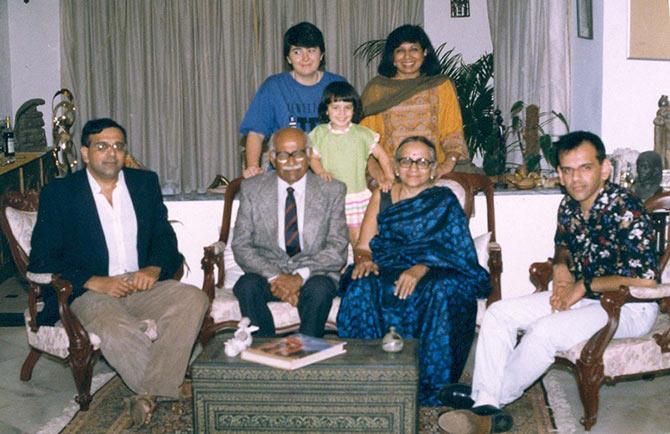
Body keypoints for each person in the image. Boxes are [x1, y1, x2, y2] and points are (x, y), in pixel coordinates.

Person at [437, 131, 659, 433]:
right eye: (568, 170)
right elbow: (563, 252)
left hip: (630, 307)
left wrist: (583, 286)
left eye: (585, 168)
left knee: (544, 332)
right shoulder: (568, 206)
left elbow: (645, 282)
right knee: (499, 313)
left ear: (604, 168)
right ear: (559, 174)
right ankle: (485, 399)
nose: (576, 178)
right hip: (587, 299)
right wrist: (562, 278)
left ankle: (489, 402)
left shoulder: (626, 209)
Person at [28, 118, 209, 427]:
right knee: (111, 321)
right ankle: (169, 386)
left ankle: (148, 392)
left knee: (193, 298)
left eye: (118, 146)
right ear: (85, 153)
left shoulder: (143, 184)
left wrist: (153, 267)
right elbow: (42, 259)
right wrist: (92, 280)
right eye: (101, 146)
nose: (111, 154)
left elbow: (165, 238)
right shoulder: (61, 193)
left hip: (140, 284)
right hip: (88, 291)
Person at [336, 136, 490, 405]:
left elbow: (456, 249)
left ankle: (433, 385)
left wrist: (421, 267)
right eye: (406, 160)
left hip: (438, 268)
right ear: (396, 166)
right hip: (387, 265)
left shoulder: (444, 200)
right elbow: (364, 246)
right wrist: (365, 260)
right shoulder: (381, 195)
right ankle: (369, 378)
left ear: (433, 169)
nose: (414, 167)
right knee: (362, 285)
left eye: (422, 162)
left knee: (442, 291)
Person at [232, 127, 348, 337]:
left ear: (309, 155)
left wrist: (299, 277)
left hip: (313, 275)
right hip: (268, 274)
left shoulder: (332, 190)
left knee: (320, 289)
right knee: (246, 285)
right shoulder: (252, 189)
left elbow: (337, 248)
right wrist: (276, 277)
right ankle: (264, 352)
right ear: (273, 158)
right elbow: (241, 244)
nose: (291, 161)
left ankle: (306, 351)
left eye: (298, 153)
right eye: (284, 155)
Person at [360, 25, 478, 188]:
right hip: (391, 173)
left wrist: (445, 166)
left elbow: (452, 133)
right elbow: (365, 141)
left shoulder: (441, 86)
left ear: (425, 53)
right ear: (392, 57)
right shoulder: (377, 90)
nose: (407, 56)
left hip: (433, 172)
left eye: (414, 49)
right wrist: (381, 175)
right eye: (400, 50)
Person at [240, 21, 347, 178]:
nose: (305, 58)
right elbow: (256, 133)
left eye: (311, 51)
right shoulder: (273, 86)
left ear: (321, 55)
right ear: (288, 58)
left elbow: (352, 132)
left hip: (330, 172)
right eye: (297, 52)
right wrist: (253, 167)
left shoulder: (338, 84)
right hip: (285, 171)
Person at [308, 81, 395, 244]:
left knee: (358, 237)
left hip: (356, 195)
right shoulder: (319, 133)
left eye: (347, 107)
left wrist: (389, 177)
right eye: (336, 108)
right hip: (330, 195)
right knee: (331, 236)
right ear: (326, 110)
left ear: (354, 109)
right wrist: (320, 172)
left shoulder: (362, 133)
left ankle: (359, 262)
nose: (342, 113)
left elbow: (382, 156)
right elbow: (312, 157)